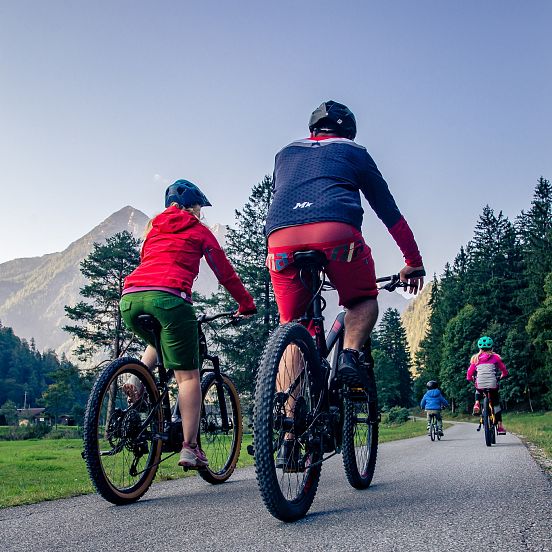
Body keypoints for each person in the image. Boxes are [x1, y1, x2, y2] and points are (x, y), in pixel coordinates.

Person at [265, 100, 425, 388]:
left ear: (313, 129)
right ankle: (349, 356)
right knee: (362, 301)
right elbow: (389, 212)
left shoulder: (284, 154)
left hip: (280, 240)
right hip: (335, 234)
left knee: (293, 325)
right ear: (349, 131)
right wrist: (413, 261)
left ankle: (287, 427)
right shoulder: (355, 152)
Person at [119, 179, 256, 468]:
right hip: (169, 299)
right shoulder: (197, 229)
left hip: (130, 300)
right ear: (193, 207)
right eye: (199, 209)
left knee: (156, 340)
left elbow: (148, 263)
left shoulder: (152, 228)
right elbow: (224, 272)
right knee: (189, 377)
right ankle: (190, 447)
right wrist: (245, 303)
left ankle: (136, 381)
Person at [466, 336, 508, 434]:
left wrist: (470, 378)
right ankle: (500, 427)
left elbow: (469, 374)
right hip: (492, 384)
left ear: (479, 348)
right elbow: (504, 370)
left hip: (480, 384)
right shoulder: (496, 357)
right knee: (496, 403)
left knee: (478, 389)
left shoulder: (475, 358)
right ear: (491, 347)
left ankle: (476, 402)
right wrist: (502, 375)